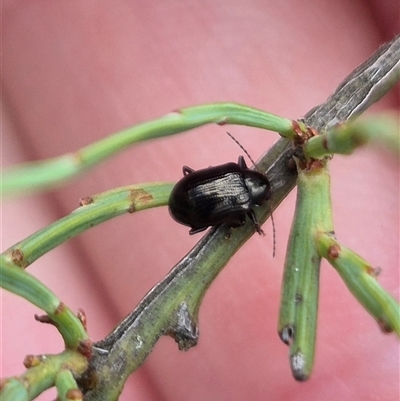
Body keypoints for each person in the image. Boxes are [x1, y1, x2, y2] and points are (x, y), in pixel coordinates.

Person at [2, 2, 398, 400]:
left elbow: (224, 199)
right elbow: (229, 214)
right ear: (250, 184)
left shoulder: (236, 175)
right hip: (187, 200)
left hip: (187, 197)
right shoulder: (243, 202)